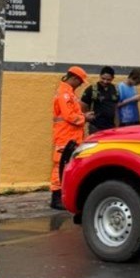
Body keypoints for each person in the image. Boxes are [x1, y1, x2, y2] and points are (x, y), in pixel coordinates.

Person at [51, 66, 94, 209]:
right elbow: (69, 116)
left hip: (70, 136)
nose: (81, 84)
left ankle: (62, 196)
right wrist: (85, 118)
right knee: (60, 166)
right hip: (65, 136)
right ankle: (56, 198)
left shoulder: (69, 93)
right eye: (80, 81)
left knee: (67, 165)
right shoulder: (65, 94)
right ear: (74, 78)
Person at [81, 66, 120, 135]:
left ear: (112, 79)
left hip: (110, 127)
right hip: (95, 127)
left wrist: (117, 125)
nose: (105, 81)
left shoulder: (115, 89)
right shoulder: (91, 89)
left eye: (108, 80)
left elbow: (116, 108)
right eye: (103, 78)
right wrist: (88, 117)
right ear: (100, 76)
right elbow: (83, 104)